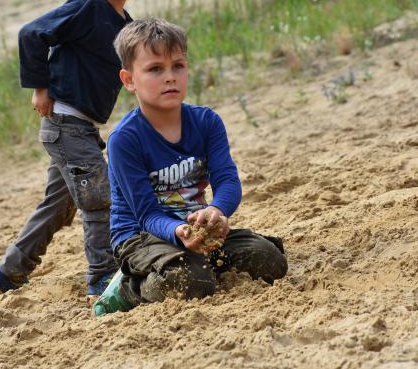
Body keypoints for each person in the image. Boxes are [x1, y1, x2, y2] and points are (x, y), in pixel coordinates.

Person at [0, 0, 149, 297]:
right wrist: (40, 87)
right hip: (65, 123)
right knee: (99, 199)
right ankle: (103, 283)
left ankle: (8, 273)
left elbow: (134, 72)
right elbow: (31, 33)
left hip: (82, 127)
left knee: (58, 207)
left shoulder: (125, 23)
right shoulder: (86, 6)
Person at [93, 18, 288, 316]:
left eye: (178, 66)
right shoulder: (125, 140)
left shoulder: (207, 122)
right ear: (129, 79)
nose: (170, 77)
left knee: (270, 260)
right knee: (189, 282)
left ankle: (197, 264)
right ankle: (128, 289)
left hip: (195, 228)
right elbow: (146, 214)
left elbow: (227, 181)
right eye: (155, 69)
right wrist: (180, 231)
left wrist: (217, 210)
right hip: (141, 235)